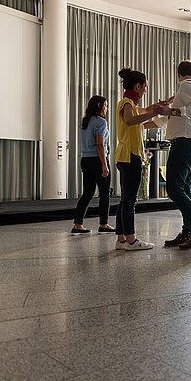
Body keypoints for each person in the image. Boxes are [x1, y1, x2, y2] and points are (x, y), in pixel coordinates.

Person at [157, 61, 191, 250]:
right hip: (189, 143)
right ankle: (188, 230)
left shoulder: (187, 86)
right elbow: (167, 119)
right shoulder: (185, 90)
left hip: (185, 144)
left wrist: (171, 110)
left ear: (178, 73)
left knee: (174, 188)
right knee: (185, 189)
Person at [114, 68, 162, 251]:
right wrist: (152, 114)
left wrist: (160, 106)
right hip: (130, 156)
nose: (145, 91)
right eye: (144, 87)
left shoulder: (129, 103)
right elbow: (130, 120)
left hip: (124, 155)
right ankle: (132, 240)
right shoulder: (127, 104)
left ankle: (121, 240)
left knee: (125, 199)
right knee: (129, 201)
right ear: (137, 86)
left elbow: (146, 110)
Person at [71, 95, 115, 235]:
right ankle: (104, 224)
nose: (107, 108)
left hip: (85, 159)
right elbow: (100, 144)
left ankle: (77, 224)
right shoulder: (101, 122)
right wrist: (104, 164)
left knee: (88, 193)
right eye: (106, 105)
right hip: (97, 159)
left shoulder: (85, 121)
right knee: (104, 193)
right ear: (99, 106)